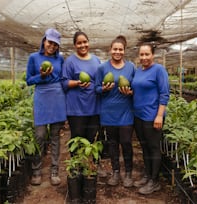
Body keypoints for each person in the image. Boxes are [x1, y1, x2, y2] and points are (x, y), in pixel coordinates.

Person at [62, 31, 106, 177]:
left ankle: (96, 164)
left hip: (94, 106)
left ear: (89, 42)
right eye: (79, 43)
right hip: (76, 108)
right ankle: (76, 167)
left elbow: (100, 81)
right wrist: (77, 83)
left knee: (93, 137)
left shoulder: (96, 61)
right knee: (77, 137)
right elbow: (64, 83)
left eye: (85, 42)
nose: (83, 45)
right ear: (75, 45)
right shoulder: (69, 61)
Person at [26, 28, 66, 186]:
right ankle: (36, 170)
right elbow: (29, 80)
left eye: (56, 44)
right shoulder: (34, 58)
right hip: (42, 96)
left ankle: (54, 170)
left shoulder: (60, 59)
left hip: (57, 97)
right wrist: (41, 76)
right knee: (40, 135)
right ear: (44, 41)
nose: (52, 46)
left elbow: (63, 78)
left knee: (55, 136)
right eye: (50, 42)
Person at [95, 35, 135, 187]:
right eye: (115, 49)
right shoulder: (102, 68)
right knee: (112, 143)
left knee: (126, 142)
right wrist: (103, 89)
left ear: (124, 51)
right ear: (110, 50)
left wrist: (130, 93)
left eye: (120, 49)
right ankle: (116, 172)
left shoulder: (131, 67)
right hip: (109, 111)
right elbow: (96, 88)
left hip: (126, 110)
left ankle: (129, 173)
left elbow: (135, 88)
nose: (117, 52)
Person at [130, 42, 170, 194]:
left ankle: (154, 181)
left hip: (152, 116)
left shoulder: (159, 70)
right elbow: (137, 90)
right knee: (145, 147)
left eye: (147, 54)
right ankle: (147, 175)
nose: (144, 57)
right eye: (142, 54)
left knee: (153, 148)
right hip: (139, 115)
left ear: (153, 55)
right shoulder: (139, 71)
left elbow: (164, 94)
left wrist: (159, 115)